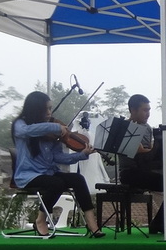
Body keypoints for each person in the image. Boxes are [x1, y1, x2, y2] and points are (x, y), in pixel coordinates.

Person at [11, 91, 104, 238]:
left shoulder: (51, 134)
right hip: (28, 175)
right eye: (46, 109)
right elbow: (26, 131)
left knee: (78, 179)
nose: (49, 113)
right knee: (56, 183)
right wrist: (54, 127)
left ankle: (93, 224)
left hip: (48, 172)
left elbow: (58, 157)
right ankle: (41, 220)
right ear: (36, 109)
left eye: (50, 109)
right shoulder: (20, 124)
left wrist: (82, 154)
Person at [118, 94, 166, 236]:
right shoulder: (124, 128)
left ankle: (162, 222)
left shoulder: (147, 128)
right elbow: (139, 151)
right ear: (133, 110)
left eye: (149, 110)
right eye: (144, 110)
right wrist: (154, 149)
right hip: (130, 173)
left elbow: (148, 150)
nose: (148, 114)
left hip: (145, 169)